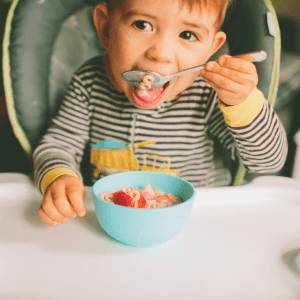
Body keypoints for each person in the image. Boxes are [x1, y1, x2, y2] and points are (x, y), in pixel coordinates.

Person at [33, 0, 288, 226]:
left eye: (188, 34)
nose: (160, 54)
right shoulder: (89, 82)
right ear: (106, 29)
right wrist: (60, 176)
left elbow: (266, 162)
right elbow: (58, 144)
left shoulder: (209, 93)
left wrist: (241, 103)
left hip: (198, 224)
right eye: (142, 25)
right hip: (115, 222)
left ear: (212, 47)